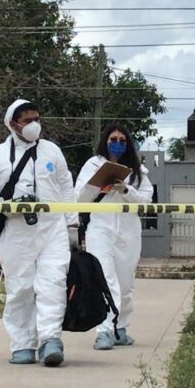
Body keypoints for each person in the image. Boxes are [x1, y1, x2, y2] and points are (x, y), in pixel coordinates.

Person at [0, 99, 78, 366]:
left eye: (36, 119)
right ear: (12, 123)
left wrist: (72, 224)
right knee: (20, 287)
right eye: (27, 120)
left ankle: (51, 340)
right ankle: (22, 345)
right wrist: (5, 206)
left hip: (52, 228)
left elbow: (66, 187)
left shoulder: (52, 151)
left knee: (52, 283)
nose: (33, 125)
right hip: (16, 230)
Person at [74, 124, 154, 350]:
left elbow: (146, 201)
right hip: (101, 228)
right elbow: (78, 198)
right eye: (113, 139)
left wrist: (126, 190)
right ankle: (104, 331)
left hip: (128, 230)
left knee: (126, 283)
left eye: (121, 140)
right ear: (105, 141)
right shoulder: (93, 165)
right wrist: (99, 188)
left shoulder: (138, 171)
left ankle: (121, 328)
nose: (117, 143)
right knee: (106, 279)